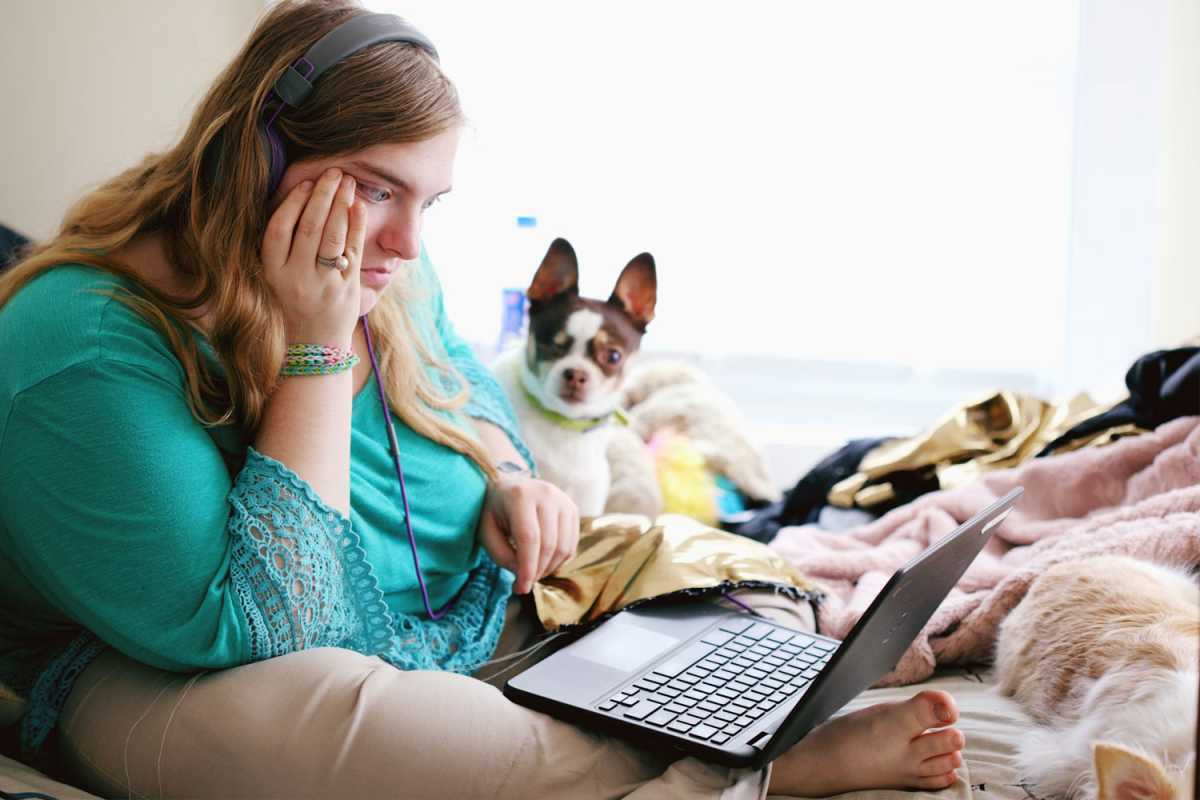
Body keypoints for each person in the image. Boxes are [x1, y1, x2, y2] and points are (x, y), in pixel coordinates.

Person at [0, 1, 967, 797]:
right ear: (255, 161)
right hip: (198, 670)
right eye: (379, 190)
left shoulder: (383, 260)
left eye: (431, 202)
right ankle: (752, 762)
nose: (409, 246)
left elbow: (469, 393)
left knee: (729, 578)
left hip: (467, 608)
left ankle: (723, 722)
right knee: (377, 740)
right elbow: (268, 619)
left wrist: (512, 477)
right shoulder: (82, 341)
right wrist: (316, 346)